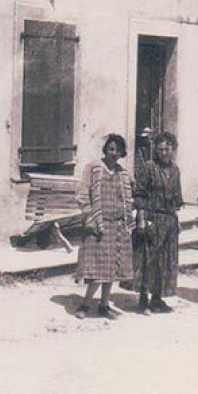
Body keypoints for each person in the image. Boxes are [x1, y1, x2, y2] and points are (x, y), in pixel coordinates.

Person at [74, 133, 135, 319]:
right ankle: (85, 304)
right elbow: (83, 195)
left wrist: (128, 220)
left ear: (122, 153)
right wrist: (90, 217)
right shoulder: (93, 168)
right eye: (111, 149)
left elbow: (128, 198)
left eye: (118, 150)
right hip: (98, 224)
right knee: (96, 268)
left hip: (117, 226)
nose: (114, 153)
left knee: (111, 269)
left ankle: (104, 305)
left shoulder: (123, 173)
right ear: (106, 150)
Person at [133, 131, 184, 314]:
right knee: (149, 259)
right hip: (152, 219)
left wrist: (176, 220)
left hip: (169, 219)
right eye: (160, 149)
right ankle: (143, 299)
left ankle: (157, 298)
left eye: (167, 149)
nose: (164, 153)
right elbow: (139, 195)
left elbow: (177, 197)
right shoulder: (148, 167)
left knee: (165, 260)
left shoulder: (175, 169)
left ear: (173, 150)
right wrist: (141, 221)